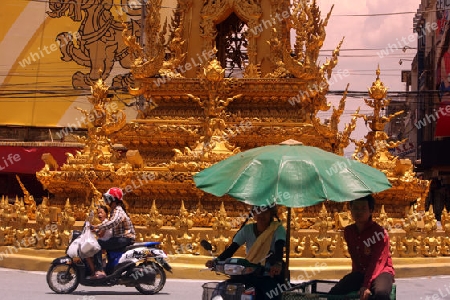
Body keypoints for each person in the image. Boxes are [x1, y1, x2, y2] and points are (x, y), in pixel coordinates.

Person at [205, 204, 286, 300]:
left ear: (271, 214)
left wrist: (277, 264)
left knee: (270, 294)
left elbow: (279, 246)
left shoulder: (277, 229)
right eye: (258, 211)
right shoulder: (247, 229)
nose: (261, 215)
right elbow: (232, 248)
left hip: (269, 271)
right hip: (249, 269)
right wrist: (216, 260)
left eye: (265, 212)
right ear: (254, 214)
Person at [329, 195, 395, 300]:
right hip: (361, 271)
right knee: (334, 293)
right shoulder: (349, 231)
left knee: (381, 294)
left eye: (363, 208)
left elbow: (377, 262)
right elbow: (355, 258)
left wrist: (366, 285)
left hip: (381, 271)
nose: (359, 212)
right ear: (350, 210)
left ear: (371, 210)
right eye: (355, 208)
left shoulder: (379, 233)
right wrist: (355, 278)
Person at [88, 187, 136, 279]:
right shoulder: (114, 210)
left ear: (114, 199)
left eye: (108, 198)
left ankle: (100, 271)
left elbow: (113, 223)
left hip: (125, 238)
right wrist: (95, 229)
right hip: (120, 238)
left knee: (98, 244)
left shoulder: (118, 210)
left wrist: (97, 226)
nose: (106, 200)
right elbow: (108, 224)